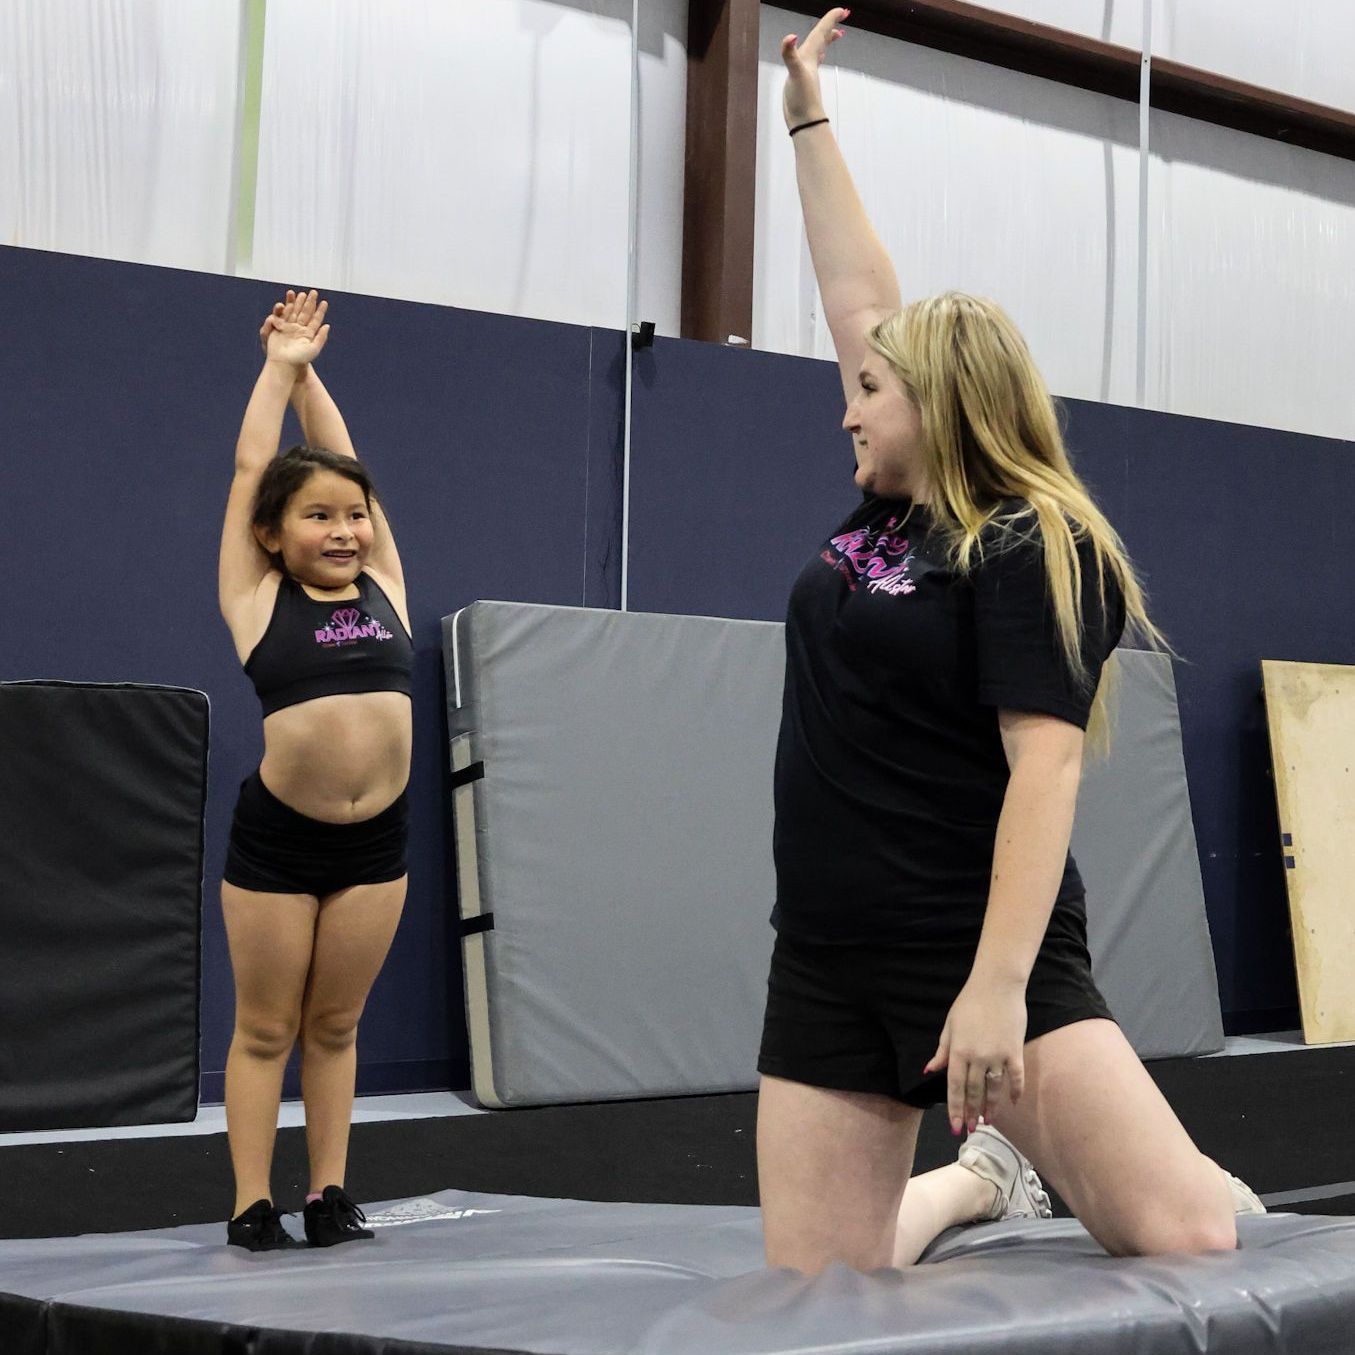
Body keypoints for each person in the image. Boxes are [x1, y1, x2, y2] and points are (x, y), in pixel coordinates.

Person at [756, 9, 1260, 1275]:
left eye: (869, 390)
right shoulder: (881, 508)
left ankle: (1112, 1157)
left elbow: (1042, 768)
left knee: (1188, 1229)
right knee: (821, 1289)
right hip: (823, 947)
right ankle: (978, 1186)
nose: (845, 409)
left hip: (966, 939)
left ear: (941, 403)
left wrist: (993, 987)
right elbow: (856, 291)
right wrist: (807, 117)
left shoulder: (1031, 540)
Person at [216, 289, 412, 1250]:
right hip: (280, 843)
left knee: (334, 1025)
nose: (343, 530)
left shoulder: (384, 586)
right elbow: (258, 463)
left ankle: (327, 1193)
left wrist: (314, 375)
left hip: (378, 842)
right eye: (317, 517)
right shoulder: (257, 599)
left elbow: (350, 467)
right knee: (267, 1027)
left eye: (353, 517)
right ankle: (253, 1200)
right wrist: (277, 367)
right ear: (271, 532)